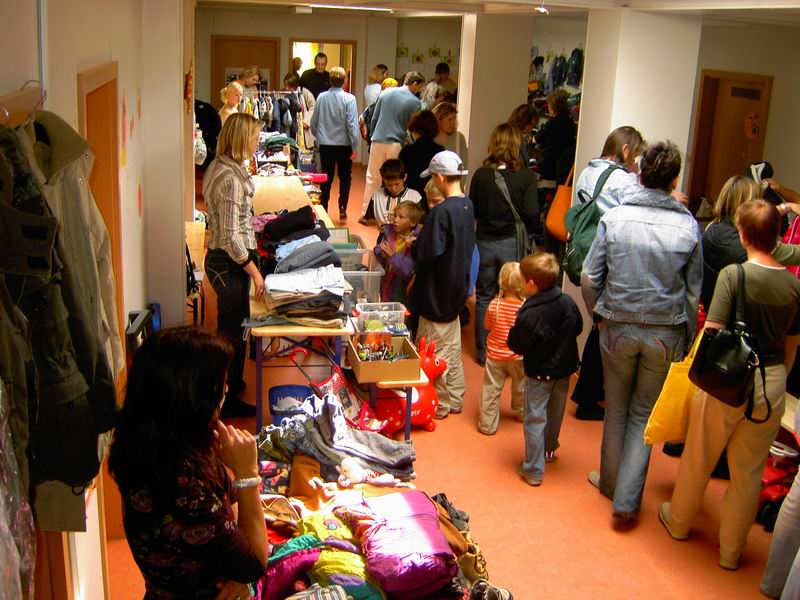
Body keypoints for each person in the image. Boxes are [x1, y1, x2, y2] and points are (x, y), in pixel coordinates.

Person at [659, 199, 800, 571]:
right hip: (771, 379)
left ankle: (679, 522)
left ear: (743, 234)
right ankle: (731, 552)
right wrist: (777, 377)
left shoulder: (734, 275)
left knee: (700, 455)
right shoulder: (793, 284)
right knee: (749, 471)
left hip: (728, 375)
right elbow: (791, 344)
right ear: (777, 236)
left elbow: (713, 329)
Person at [581, 140, 702, 523]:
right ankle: (627, 501)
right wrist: (686, 339)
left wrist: (597, 313)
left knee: (616, 408)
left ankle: (610, 484)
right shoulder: (688, 226)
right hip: (665, 334)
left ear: (641, 175)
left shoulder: (615, 218)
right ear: (674, 180)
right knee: (642, 414)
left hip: (616, 326)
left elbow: (589, 276)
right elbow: (693, 292)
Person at [108, 327, 269, 598]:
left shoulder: (160, 441)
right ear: (193, 400)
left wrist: (237, 570)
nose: (226, 390)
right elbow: (255, 564)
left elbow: (229, 498)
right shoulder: (180, 485)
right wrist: (248, 474)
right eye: (219, 385)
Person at [570, 125, 646, 421]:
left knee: (598, 323)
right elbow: (638, 215)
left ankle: (589, 393)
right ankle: (588, 397)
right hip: (611, 259)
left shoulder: (588, 172)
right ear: (625, 150)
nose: (636, 163)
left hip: (587, 255)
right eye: (636, 155)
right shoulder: (623, 180)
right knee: (603, 327)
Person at [203, 113, 265, 418]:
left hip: (226, 260)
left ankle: (232, 384)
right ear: (241, 139)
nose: (256, 143)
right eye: (254, 138)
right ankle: (225, 402)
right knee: (231, 335)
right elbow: (230, 237)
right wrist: (255, 273)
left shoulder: (222, 166)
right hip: (229, 263)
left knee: (235, 329)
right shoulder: (230, 181)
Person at [508, 252, 583, 485]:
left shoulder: (530, 313)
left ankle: (533, 469)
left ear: (531, 284)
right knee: (555, 413)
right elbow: (579, 326)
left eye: (522, 280)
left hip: (539, 372)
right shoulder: (567, 301)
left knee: (535, 417)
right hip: (565, 369)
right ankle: (549, 449)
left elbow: (516, 344)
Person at [411, 151, 475, 419]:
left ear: (439, 177)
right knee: (452, 348)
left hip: (436, 293)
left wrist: (415, 246)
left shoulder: (440, 213)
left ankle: (440, 403)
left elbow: (427, 254)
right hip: (456, 289)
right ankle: (456, 398)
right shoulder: (467, 205)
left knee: (433, 352)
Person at [469, 123, 539, 365]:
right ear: (517, 145)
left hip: (484, 242)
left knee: (484, 296)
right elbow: (532, 212)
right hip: (512, 243)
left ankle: (483, 353)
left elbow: (474, 209)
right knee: (514, 296)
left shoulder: (481, 175)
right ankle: (511, 352)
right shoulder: (526, 177)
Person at [702, 175, 800, 309]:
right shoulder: (752, 245)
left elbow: (751, 216)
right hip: (741, 315)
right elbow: (796, 254)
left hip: (712, 306)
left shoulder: (712, 228)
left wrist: (785, 207)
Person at [360, 72, 426, 222]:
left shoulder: (386, 92)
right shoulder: (415, 102)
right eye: (420, 86)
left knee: (372, 177)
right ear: (415, 83)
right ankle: (393, 213)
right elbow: (412, 125)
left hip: (377, 139)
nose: (420, 90)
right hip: (396, 142)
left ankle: (366, 213)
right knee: (395, 178)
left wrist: (372, 136)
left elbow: (374, 117)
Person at [476, 261, 526, 435]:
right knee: (521, 387)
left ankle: (487, 425)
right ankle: (522, 412)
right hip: (518, 357)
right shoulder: (524, 308)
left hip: (495, 356)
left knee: (491, 389)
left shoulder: (494, 305)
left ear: (501, 281)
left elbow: (487, 325)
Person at [310, 66, 359, 222]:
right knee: (345, 177)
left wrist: (318, 137)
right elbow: (352, 124)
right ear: (345, 81)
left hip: (325, 144)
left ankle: (324, 206)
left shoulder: (321, 97)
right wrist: (355, 145)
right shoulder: (349, 99)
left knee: (326, 176)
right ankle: (342, 206)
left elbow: (314, 121)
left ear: (330, 80)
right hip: (344, 145)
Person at [374, 200, 422, 304]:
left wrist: (392, 256)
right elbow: (378, 248)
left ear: (413, 222)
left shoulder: (416, 241)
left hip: (403, 292)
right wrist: (380, 252)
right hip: (386, 287)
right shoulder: (389, 232)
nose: (395, 220)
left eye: (401, 217)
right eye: (395, 215)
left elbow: (408, 270)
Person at [398, 110, 445, 211]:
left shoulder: (407, 151)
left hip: (410, 201)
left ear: (414, 130)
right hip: (433, 199)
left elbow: (400, 176)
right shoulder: (440, 151)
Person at [534, 89, 576, 185]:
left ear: (552, 107)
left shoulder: (551, 123)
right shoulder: (571, 124)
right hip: (565, 167)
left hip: (549, 165)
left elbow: (536, 139)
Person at [365, 158, 422, 228]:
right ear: (383, 179)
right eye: (388, 184)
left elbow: (422, 224)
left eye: (397, 184)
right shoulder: (376, 196)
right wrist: (376, 223)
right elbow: (368, 219)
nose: (393, 189)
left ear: (405, 177)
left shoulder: (415, 197)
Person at [359, 77, 399, 151]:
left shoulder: (373, 105)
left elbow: (362, 119)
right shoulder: (397, 106)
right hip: (391, 143)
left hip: (375, 141)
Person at [432, 102, 468, 173]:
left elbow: (464, 167)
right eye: (449, 119)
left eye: (454, 119)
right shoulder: (430, 139)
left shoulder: (459, 138)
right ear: (438, 120)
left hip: (454, 179)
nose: (453, 123)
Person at [283, 72, 315, 151]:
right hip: (289, 130)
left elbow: (314, 107)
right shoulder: (282, 94)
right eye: (285, 85)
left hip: (303, 130)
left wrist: (306, 122)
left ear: (295, 86)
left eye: (289, 86)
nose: (286, 88)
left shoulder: (304, 92)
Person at [507, 103, 539, 168]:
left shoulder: (518, 137)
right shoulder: (511, 138)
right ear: (524, 121)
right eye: (532, 124)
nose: (532, 128)